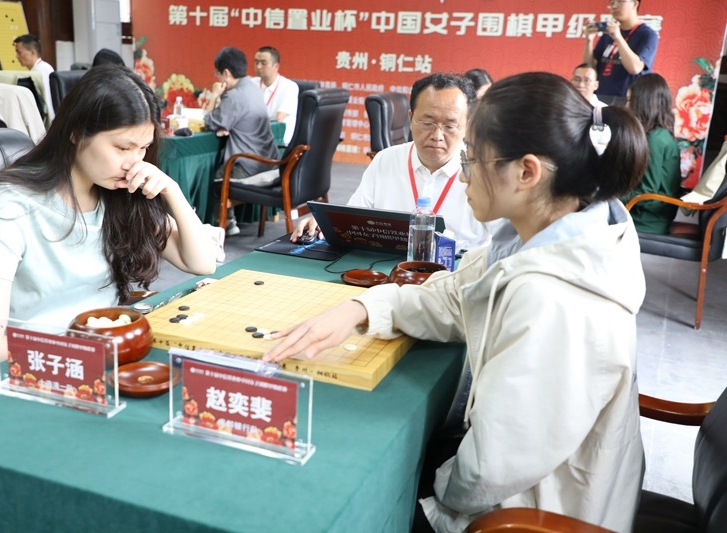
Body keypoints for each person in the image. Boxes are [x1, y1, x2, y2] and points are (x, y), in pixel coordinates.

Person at [266, 72, 648, 533]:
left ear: (527, 172)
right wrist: (362, 309)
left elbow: (491, 468)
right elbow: (455, 295)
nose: (462, 171)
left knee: (347, 492)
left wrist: (424, 495)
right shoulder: (539, 237)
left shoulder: (556, 301)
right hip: (508, 484)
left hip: (526, 514)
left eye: (470, 157)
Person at [0, 65, 220, 373]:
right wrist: (83, 349)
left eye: (144, 148)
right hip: (39, 367)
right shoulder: (9, 203)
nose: (135, 162)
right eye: (123, 148)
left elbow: (202, 263)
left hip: (105, 361)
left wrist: (172, 190)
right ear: (76, 132)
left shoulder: (120, 194)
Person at [293, 72, 497, 253]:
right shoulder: (386, 160)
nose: (437, 135)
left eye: (450, 126)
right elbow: (354, 220)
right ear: (410, 119)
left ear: (467, 125)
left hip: (459, 271)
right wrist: (324, 224)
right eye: (427, 123)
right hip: (388, 268)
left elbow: (505, 246)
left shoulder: (486, 172)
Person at [203, 46, 278, 236]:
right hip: (268, 161)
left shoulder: (235, 96)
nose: (217, 78)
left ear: (227, 73)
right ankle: (231, 222)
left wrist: (214, 95)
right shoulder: (252, 87)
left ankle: (225, 226)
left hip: (249, 165)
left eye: (218, 74)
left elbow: (209, 122)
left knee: (218, 179)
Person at [621, 73, 681, 234]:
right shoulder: (660, 135)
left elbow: (647, 192)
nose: (626, 107)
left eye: (629, 101)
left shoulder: (655, 139)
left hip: (646, 220)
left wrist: (611, 196)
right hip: (647, 213)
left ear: (643, 104)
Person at [582, 0, 658, 105]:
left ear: (634, 4)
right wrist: (589, 41)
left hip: (629, 99)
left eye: (620, 1)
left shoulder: (647, 34)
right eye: (612, 3)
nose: (614, 6)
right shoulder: (608, 34)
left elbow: (635, 68)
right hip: (601, 96)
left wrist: (618, 38)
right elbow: (590, 66)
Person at [251, 46, 299, 144]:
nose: (258, 66)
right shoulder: (251, 84)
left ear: (276, 66)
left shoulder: (289, 87)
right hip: (254, 138)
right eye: (256, 62)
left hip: (278, 142)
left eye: (263, 63)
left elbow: (278, 120)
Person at [13, 33, 55, 120]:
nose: (17, 56)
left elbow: (46, 100)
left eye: (19, 52)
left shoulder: (40, 71)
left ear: (32, 52)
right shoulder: (41, 68)